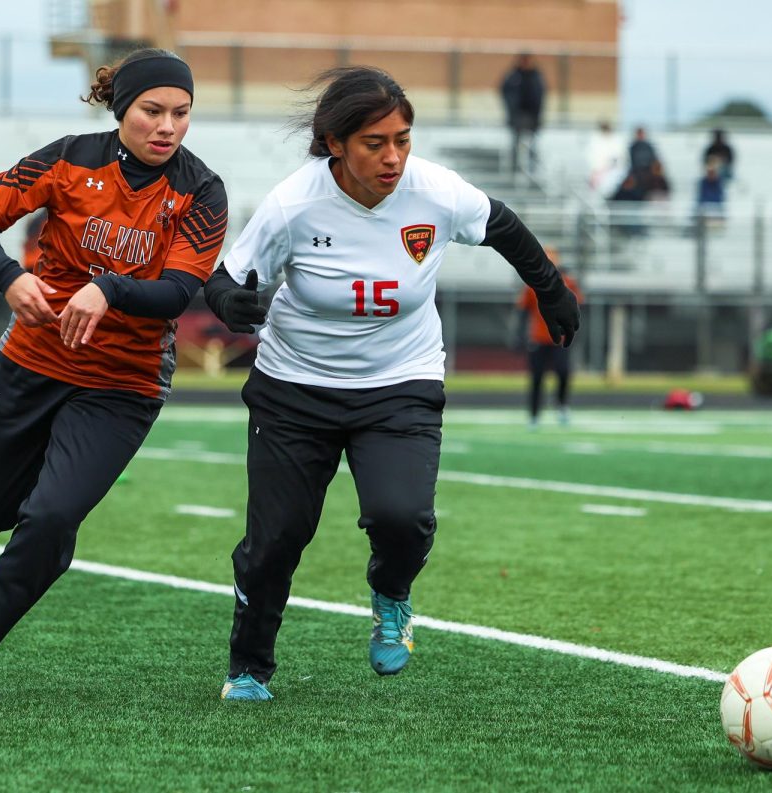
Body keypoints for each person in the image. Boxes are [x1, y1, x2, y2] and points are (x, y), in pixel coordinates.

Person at [203, 66, 579, 701]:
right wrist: (230, 304)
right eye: (375, 143)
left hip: (400, 382)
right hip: (294, 388)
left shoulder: (435, 191)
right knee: (276, 541)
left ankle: (393, 595)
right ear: (335, 143)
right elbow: (226, 276)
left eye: (402, 139)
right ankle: (248, 667)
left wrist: (549, 288)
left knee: (401, 518)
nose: (393, 156)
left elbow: (503, 224)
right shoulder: (294, 202)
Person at [0, 48, 228, 702]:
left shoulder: (201, 190)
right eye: (153, 110)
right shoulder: (68, 157)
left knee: (55, 516)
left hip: (124, 381)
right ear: (122, 108)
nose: (168, 126)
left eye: (181, 113)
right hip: (33, 357)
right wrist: (9, 277)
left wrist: (111, 290)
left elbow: (179, 291)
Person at [516, 246, 584, 427]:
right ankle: (534, 414)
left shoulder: (568, 282)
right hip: (538, 338)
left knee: (563, 372)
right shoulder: (531, 284)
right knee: (537, 377)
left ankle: (561, 405)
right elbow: (523, 310)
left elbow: (577, 307)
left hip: (560, 338)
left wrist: (575, 331)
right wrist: (519, 334)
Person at [499, 53, 546, 177]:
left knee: (533, 144)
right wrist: (512, 109)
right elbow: (505, 91)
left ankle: (533, 170)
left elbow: (540, 96)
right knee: (515, 142)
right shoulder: (513, 77)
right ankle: (513, 170)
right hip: (517, 116)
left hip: (532, 116)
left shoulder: (536, 77)